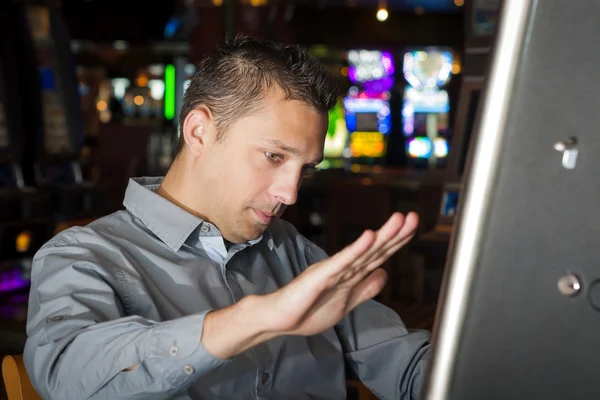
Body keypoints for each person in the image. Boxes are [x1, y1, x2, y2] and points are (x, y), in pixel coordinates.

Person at [23, 36, 431, 400]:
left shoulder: (295, 252)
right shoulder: (84, 256)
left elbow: (408, 365)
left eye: (304, 169)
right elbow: (66, 375)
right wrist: (255, 320)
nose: (290, 193)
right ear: (199, 132)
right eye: (274, 156)